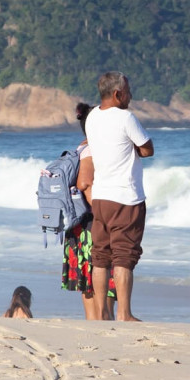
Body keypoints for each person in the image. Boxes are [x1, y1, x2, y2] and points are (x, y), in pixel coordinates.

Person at [82, 71, 153, 322]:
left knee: (100, 256)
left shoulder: (91, 118)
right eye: (129, 91)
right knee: (124, 255)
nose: (131, 96)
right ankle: (124, 313)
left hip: (100, 198)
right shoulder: (125, 117)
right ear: (117, 94)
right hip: (126, 197)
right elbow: (147, 149)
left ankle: (101, 313)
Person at [61, 101, 116, 321]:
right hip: (92, 222)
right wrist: (103, 214)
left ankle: (95, 323)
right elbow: (86, 184)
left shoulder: (81, 146)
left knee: (88, 278)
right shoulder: (93, 149)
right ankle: (104, 321)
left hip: (79, 224)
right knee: (104, 272)